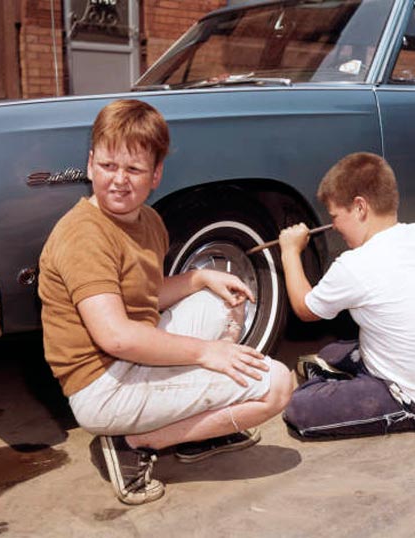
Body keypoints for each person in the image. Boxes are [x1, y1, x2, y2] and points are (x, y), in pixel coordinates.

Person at [38, 99, 293, 505]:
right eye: (107, 166)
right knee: (277, 385)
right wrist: (207, 353)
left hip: (132, 357)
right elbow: (117, 336)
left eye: (134, 169)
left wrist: (200, 276)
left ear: (156, 175)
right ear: (89, 165)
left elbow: (144, 295)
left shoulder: (148, 221)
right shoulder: (83, 234)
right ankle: (134, 442)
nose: (119, 180)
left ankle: (196, 434)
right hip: (103, 386)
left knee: (222, 300)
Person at [277, 152, 415, 439]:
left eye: (335, 216)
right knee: (329, 353)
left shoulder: (356, 265)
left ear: (360, 207)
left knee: (300, 407)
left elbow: (304, 308)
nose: (334, 226)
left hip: (414, 400)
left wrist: (289, 251)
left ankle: (378, 391)